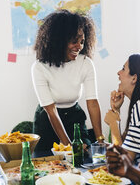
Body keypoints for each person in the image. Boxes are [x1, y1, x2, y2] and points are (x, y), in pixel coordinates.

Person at [31, 9, 104, 153]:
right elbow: (51, 111)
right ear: (59, 40)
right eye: (74, 41)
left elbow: (93, 104)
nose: (79, 47)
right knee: (46, 163)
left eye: (82, 41)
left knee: (85, 157)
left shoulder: (85, 63)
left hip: (75, 117)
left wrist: (100, 140)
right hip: (47, 120)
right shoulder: (39, 67)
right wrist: (69, 147)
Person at [104, 53, 140, 170]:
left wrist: (114, 124)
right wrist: (116, 111)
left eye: (123, 69)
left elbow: (122, 163)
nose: (118, 73)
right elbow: (126, 149)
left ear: (134, 78)